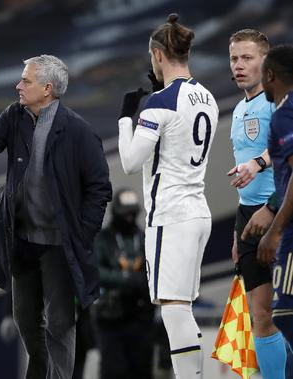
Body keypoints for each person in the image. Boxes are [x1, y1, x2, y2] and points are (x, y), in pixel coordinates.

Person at [0, 54, 112, 379]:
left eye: (26, 81)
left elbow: (99, 189)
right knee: (25, 321)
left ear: (47, 89)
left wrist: (83, 234)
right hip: (21, 240)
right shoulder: (15, 116)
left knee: (61, 323)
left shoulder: (78, 132)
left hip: (59, 245)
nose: (18, 85)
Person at [117, 13, 218, 378]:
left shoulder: (159, 102)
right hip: (198, 210)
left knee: (174, 309)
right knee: (184, 307)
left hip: (170, 216)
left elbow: (129, 161)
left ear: (158, 54)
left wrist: (127, 117)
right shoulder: (208, 97)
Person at [226, 29, 288, 378]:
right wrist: (238, 229)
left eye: (247, 58)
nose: (239, 65)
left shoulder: (277, 98)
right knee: (260, 315)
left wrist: (259, 163)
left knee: (286, 311)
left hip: (280, 211)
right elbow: (244, 177)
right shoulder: (238, 109)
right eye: (234, 58)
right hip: (248, 217)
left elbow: (284, 149)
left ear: (265, 62)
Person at [92, 188, 154, 379]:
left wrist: (140, 281)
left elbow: (153, 271)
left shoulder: (146, 238)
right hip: (110, 319)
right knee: (114, 371)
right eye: (125, 212)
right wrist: (126, 280)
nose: (129, 217)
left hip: (141, 318)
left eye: (132, 212)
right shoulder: (103, 239)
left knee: (142, 370)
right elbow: (95, 271)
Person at [257, 44, 293, 347]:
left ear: (270, 75)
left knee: (287, 318)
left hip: (292, 236)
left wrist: (275, 230)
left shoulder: (286, 113)